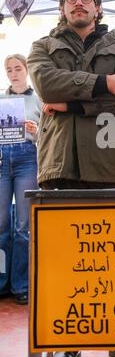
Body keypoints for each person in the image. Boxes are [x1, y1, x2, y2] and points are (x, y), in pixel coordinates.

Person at [27, 0, 115, 357]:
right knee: (64, 262)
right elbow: (47, 86)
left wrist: (74, 103)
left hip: (110, 165)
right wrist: (102, 85)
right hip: (60, 165)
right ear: (63, 7)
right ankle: (67, 345)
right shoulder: (41, 46)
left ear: (97, 6)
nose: (79, 2)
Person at [0, 54, 40, 305]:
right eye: (9, 70)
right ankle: (1, 282)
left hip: (27, 158)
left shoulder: (38, 99)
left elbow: (47, 133)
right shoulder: (0, 99)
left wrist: (36, 132)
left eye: (17, 68)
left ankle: (21, 285)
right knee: (1, 226)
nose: (13, 73)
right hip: (2, 159)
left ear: (26, 70)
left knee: (23, 227)